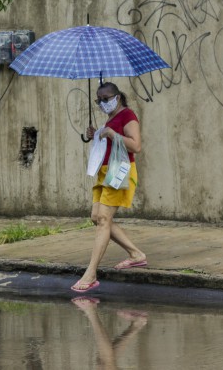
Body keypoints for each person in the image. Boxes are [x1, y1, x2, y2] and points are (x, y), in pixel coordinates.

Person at [71, 81, 147, 293]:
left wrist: (112, 134)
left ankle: (91, 273)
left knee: (104, 219)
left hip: (119, 169)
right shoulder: (111, 118)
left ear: (118, 97)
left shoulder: (128, 115)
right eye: (99, 100)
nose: (103, 103)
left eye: (106, 99)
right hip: (105, 171)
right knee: (96, 217)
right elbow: (110, 141)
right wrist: (96, 133)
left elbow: (136, 145)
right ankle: (136, 254)